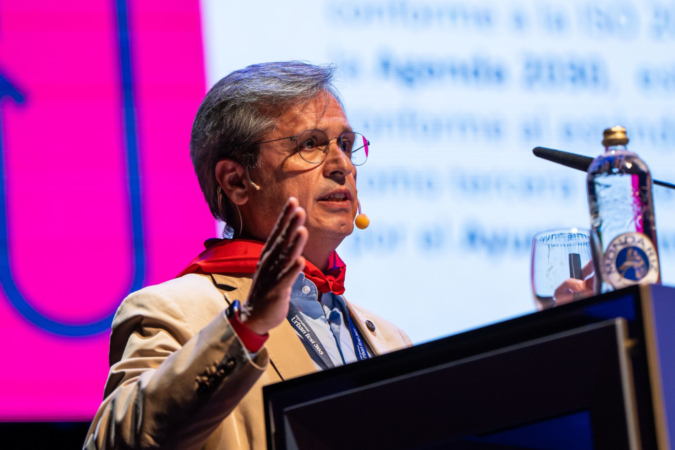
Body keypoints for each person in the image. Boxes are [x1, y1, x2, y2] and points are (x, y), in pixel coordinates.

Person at [83, 61, 412, 450]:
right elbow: (117, 444)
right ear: (237, 181)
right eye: (310, 144)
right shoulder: (174, 310)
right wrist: (247, 327)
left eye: (344, 143)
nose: (341, 165)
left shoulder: (390, 340)